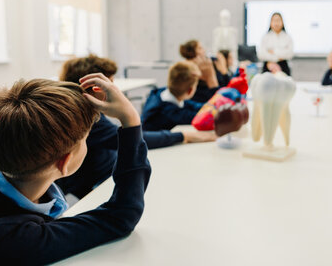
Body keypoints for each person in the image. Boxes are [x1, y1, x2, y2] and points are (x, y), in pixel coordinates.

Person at [0, 75, 151, 264]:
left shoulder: (11, 169)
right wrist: (130, 120)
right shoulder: (10, 241)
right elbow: (121, 216)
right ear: (65, 162)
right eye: (85, 140)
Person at [56, 54, 216, 198]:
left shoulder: (90, 111)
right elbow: (124, 138)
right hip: (96, 182)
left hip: (107, 168)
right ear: (89, 87)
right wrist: (183, 136)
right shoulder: (84, 118)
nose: (115, 90)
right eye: (108, 85)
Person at [141, 61, 205, 131]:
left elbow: (194, 105)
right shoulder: (172, 113)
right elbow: (201, 117)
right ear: (190, 91)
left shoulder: (162, 94)